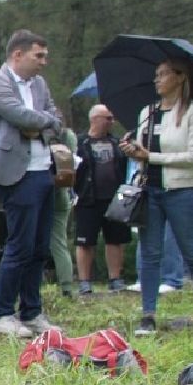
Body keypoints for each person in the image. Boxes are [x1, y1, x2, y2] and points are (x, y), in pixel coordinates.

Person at [119, 57, 193, 336]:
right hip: (149, 191)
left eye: (163, 74)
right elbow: (142, 152)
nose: (157, 79)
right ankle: (148, 316)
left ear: (180, 77)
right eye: (156, 74)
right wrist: (132, 150)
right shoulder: (148, 112)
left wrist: (150, 156)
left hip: (183, 192)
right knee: (150, 254)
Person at [0, 29, 64, 338]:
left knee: (40, 246)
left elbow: (55, 119)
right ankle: (2, 313)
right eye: (38, 55)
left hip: (43, 170)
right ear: (18, 54)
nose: (44, 62)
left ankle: (31, 311)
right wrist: (39, 121)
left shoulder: (39, 84)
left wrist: (39, 124)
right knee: (20, 244)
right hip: (15, 173)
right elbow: (20, 116)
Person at [71, 103, 129, 294]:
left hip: (115, 198)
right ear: (95, 119)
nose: (112, 122)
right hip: (88, 198)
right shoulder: (79, 143)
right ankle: (84, 282)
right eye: (108, 118)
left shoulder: (117, 143)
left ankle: (115, 279)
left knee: (116, 239)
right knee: (85, 241)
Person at [49, 124, 79, 297]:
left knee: (29, 240)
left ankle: (27, 287)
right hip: (62, 190)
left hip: (39, 190)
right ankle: (67, 286)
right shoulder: (67, 135)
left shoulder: (34, 131)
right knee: (59, 242)